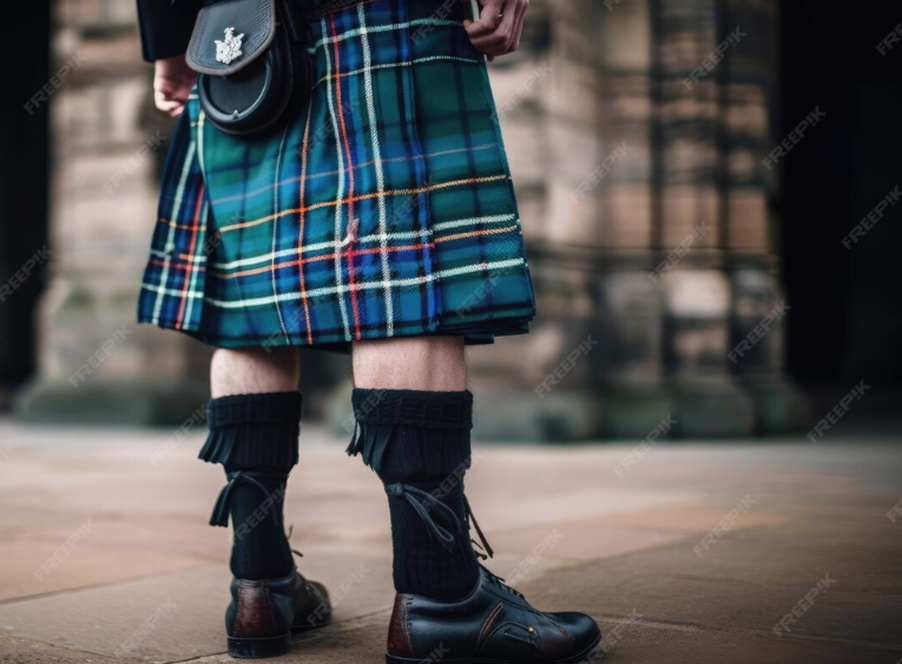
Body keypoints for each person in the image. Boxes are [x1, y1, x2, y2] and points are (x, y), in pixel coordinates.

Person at [135, 0, 602, 660]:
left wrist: (171, 37)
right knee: (399, 276)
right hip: (381, 20)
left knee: (248, 305)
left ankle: (258, 588)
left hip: (235, 37)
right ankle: (439, 598)